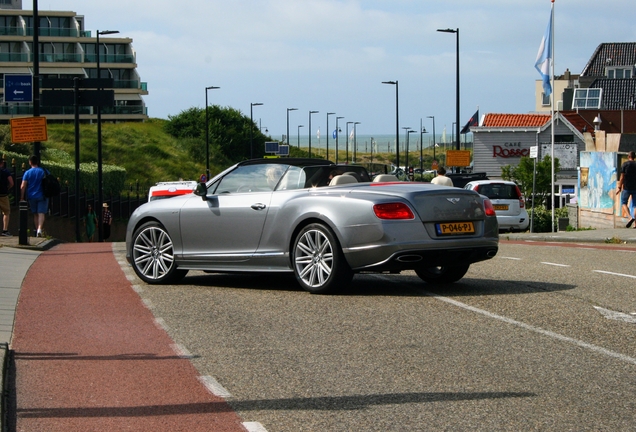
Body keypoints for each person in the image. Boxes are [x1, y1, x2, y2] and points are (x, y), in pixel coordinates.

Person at [20, 155, 48, 237]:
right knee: (41, 213)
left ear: (30, 162)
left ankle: (37, 231)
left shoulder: (27, 173)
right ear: (37, 162)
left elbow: (23, 186)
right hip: (42, 195)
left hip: (31, 196)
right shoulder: (43, 171)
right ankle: (39, 230)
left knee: (35, 214)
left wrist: (22, 197)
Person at [616, 151, 636, 228]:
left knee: (624, 203)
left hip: (626, 188)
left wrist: (619, 187)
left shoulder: (625, 164)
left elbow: (622, 177)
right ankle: (635, 224)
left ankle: (630, 217)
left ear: (628, 156)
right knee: (635, 206)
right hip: (635, 188)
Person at [0, 159, 14, 236]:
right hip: (3, 195)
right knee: (6, 212)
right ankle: (5, 230)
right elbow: (11, 183)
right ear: (2, 163)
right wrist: (7, 188)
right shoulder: (5, 172)